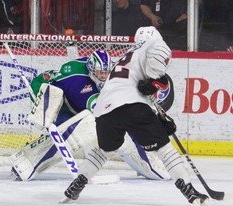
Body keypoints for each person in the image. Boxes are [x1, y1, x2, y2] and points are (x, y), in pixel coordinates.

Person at [63, 26, 209, 206]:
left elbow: (138, 88)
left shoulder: (126, 56)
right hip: (131, 105)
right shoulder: (155, 43)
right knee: (164, 148)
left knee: (105, 150)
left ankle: (77, 183)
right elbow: (150, 79)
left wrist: (158, 115)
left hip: (103, 110)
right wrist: (155, 81)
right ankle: (188, 190)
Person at [10, 50, 170, 182]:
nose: (103, 76)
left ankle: (148, 165)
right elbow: (98, 107)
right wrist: (41, 101)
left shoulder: (112, 75)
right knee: (86, 127)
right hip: (54, 103)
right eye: (100, 72)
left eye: (106, 72)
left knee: (114, 125)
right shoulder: (76, 79)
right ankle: (28, 162)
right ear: (91, 68)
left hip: (75, 107)